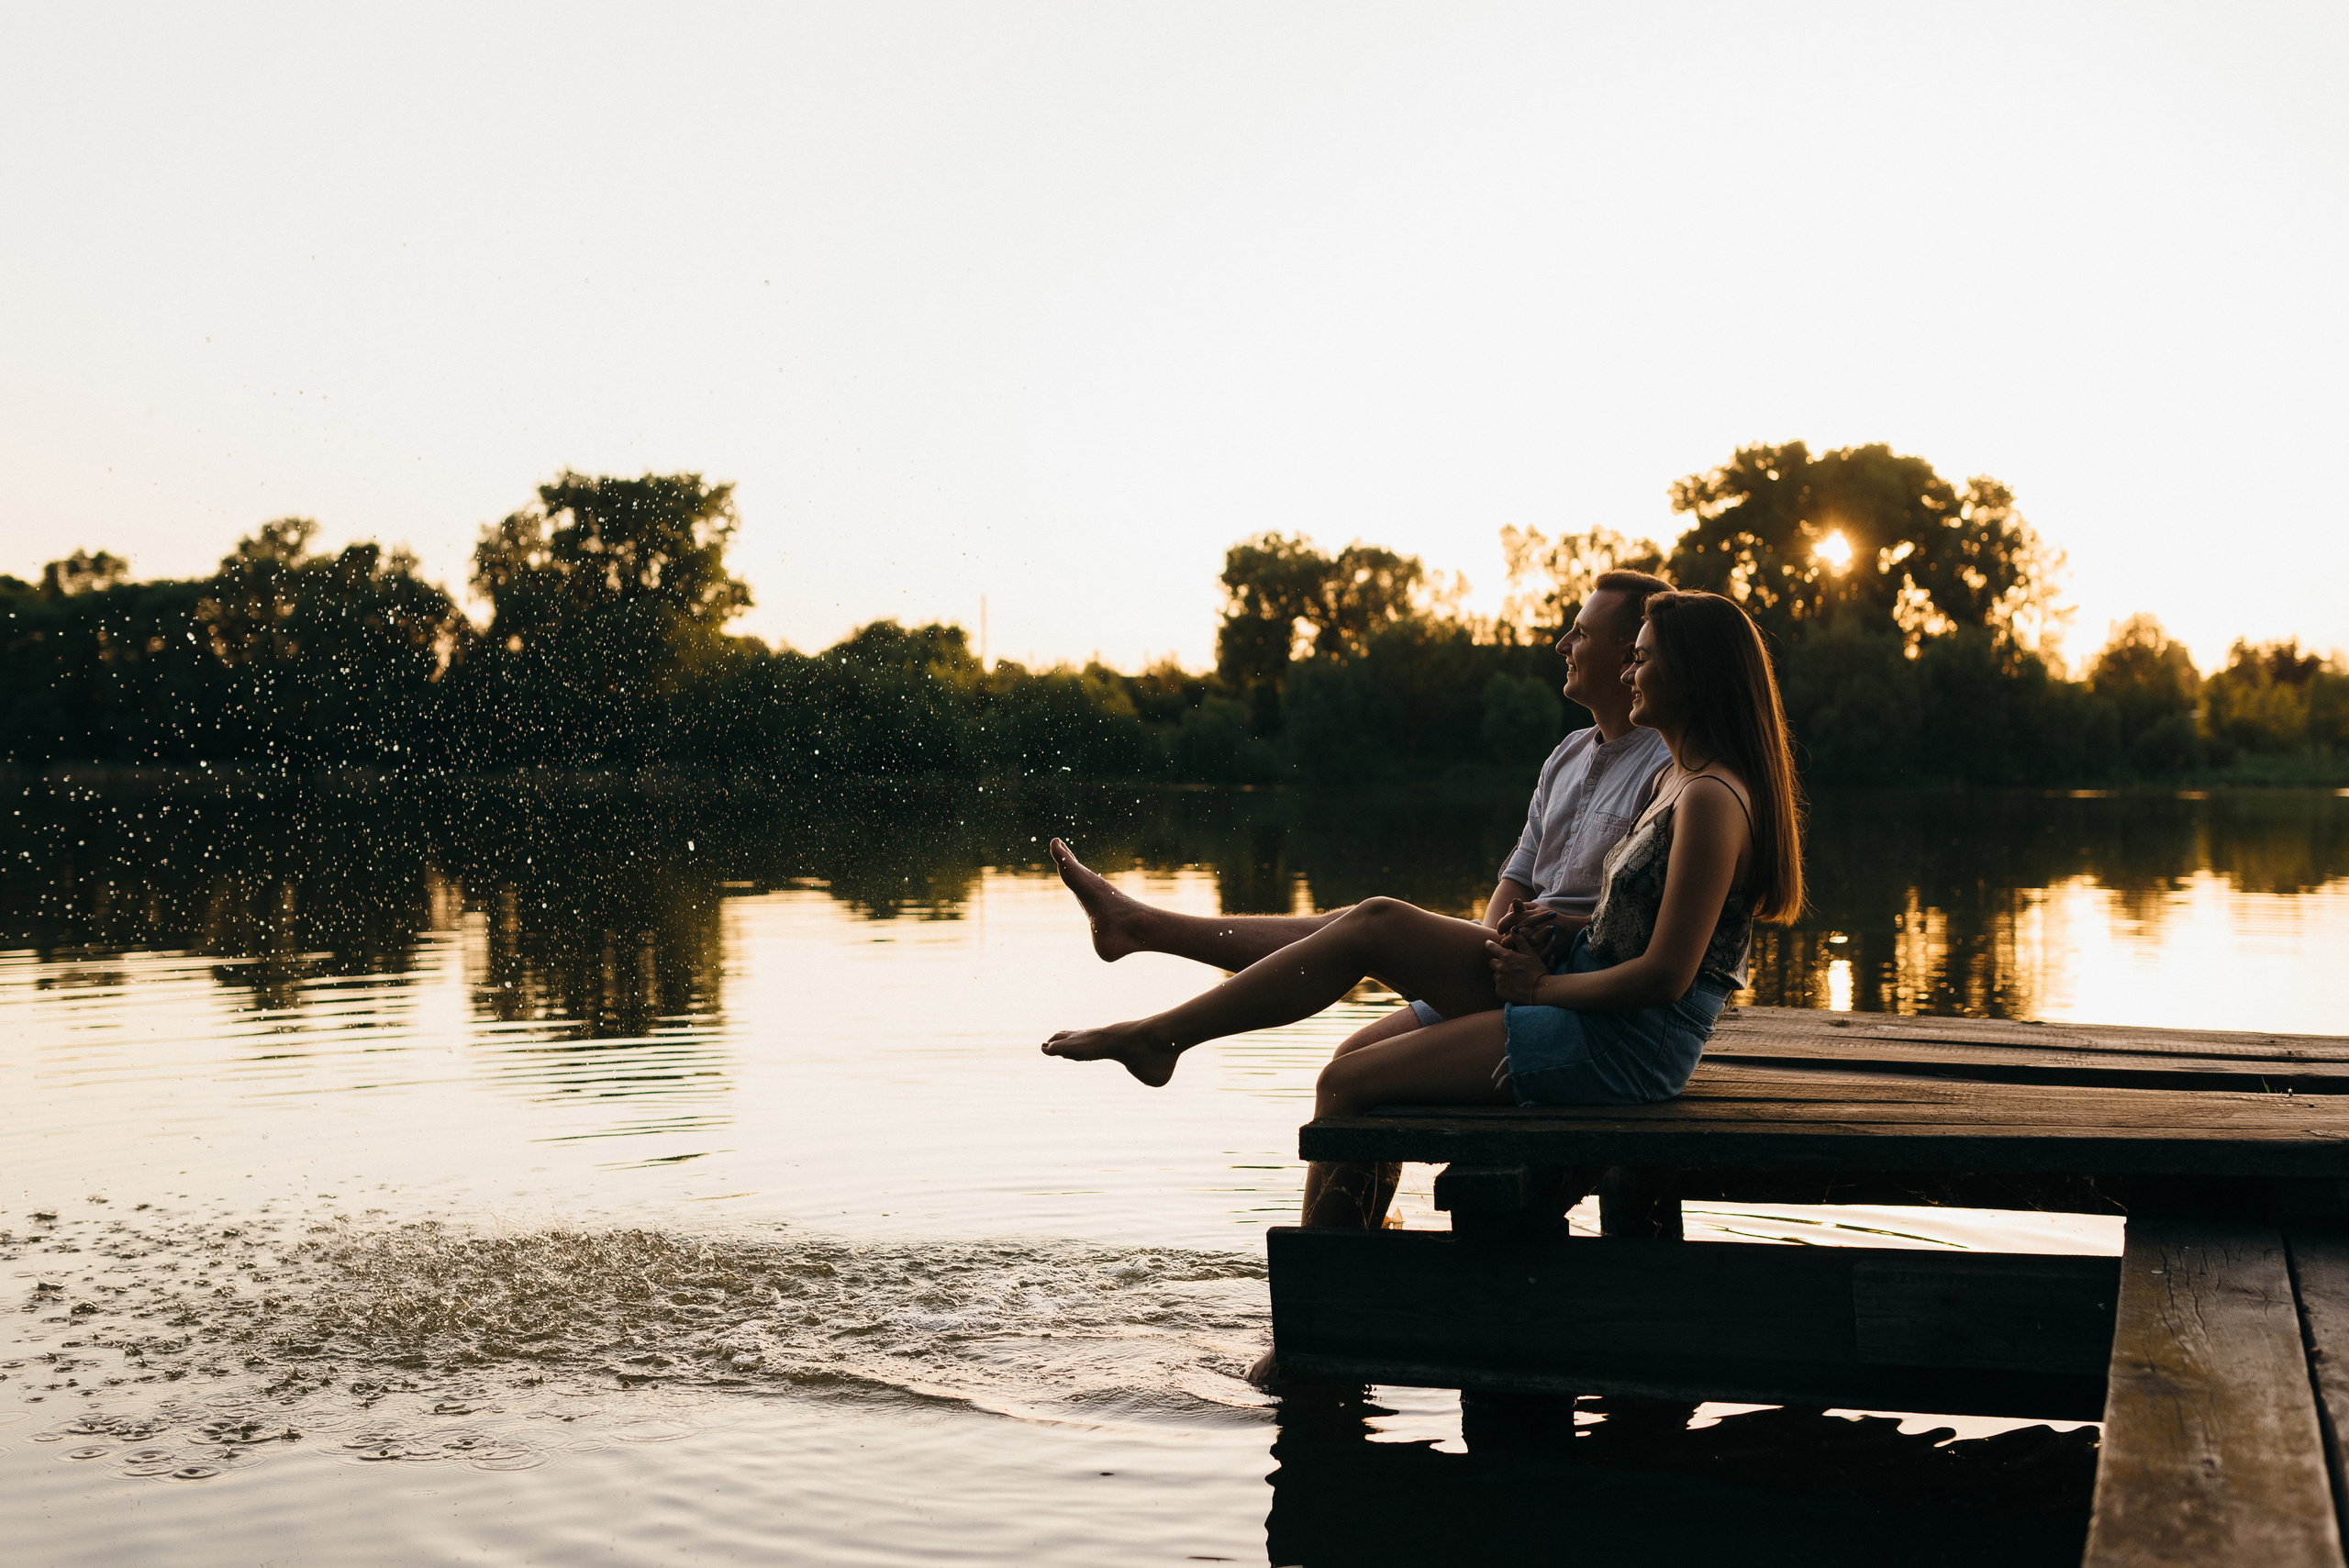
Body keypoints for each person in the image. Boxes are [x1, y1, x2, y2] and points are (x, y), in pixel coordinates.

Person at [1041, 590, 1803, 1234]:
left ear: (1693, 673)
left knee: (1350, 1079)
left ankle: (1327, 1315)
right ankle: (1162, 1021)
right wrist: (1546, 940)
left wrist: (1539, 991)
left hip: (1623, 1047)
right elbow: (1619, 921)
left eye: (1642, 655)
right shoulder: (1682, 780)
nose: (1632, 669)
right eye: (1630, 653)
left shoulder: (1707, 796)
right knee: (1371, 935)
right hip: (1581, 998)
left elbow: (1668, 975)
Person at [1043, 569, 1675, 1038]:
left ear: (1630, 656)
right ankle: (1141, 931)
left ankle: (1157, 1006)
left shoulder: (1666, 766)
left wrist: (1546, 940)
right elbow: (1514, 881)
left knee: (1371, 923)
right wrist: (1496, 943)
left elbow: (1641, 921)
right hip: (1509, 968)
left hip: (1570, 987)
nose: (1562, 643)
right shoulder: (1565, 755)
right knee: (1347, 1040)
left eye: (1581, 632)